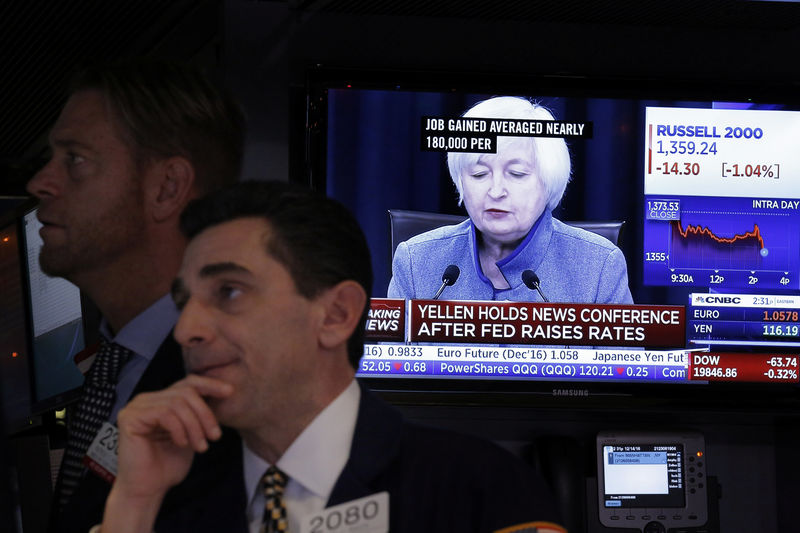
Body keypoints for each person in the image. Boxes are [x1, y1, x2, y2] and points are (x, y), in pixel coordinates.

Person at [95, 181, 565, 533]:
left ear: (336, 314)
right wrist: (134, 505)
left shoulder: (479, 489)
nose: (187, 329)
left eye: (230, 292)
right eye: (184, 302)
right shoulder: (162, 496)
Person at [25, 59, 245, 533]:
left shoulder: (240, 393)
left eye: (75, 160)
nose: (39, 182)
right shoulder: (112, 370)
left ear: (167, 188)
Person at [388, 96, 632, 304]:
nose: (496, 191)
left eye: (516, 174)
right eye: (479, 174)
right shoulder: (414, 262)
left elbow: (622, 361)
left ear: (549, 182)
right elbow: (393, 360)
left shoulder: (600, 267)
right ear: (460, 181)